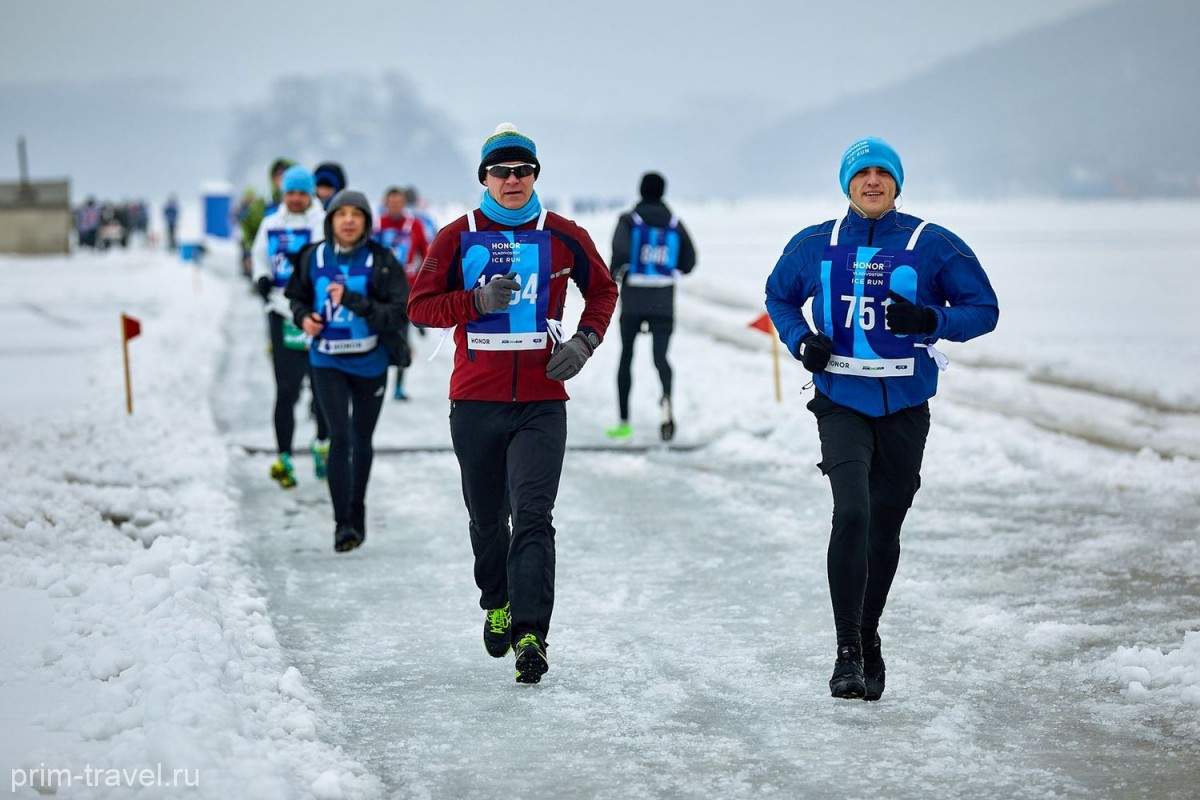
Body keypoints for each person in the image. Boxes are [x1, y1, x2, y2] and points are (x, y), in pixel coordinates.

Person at [765, 137, 999, 701]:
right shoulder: (817, 243)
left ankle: (868, 633)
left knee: (885, 524)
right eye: (862, 173)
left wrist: (931, 319)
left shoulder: (931, 243)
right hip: (841, 401)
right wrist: (802, 341)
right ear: (847, 184)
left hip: (904, 408)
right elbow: (779, 296)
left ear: (897, 183)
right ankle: (846, 649)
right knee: (852, 512)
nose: (872, 181)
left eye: (883, 173)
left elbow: (984, 310)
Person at [408, 123, 618, 684]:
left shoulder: (564, 234)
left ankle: (531, 634)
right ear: (484, 178)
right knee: (487, 519)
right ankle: (496, 602)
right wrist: (474, 301)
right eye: (500, 171)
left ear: (535, 176)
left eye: (523, 170)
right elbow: (420, 306)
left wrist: (585, 341)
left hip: (542, 402)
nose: (512, 180)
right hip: (475, 401)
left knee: (533, 516)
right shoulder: (457, 236)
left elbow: (603, 290)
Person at [286, 189, 409, 552]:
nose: (349, 220)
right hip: (327, 362)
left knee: (361, 439)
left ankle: (358, 510)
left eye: (357, 214)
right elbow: (296, 297)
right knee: (340, 437)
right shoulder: (312, 256)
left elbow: (399, 312)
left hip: (370, 363)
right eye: (342, 214)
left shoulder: (382, 260)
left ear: (367, 222)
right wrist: (303, 318)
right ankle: (343, 524)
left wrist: (355, 302)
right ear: (331, 221)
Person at [251, 166, 331, 489]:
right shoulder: (271, 223)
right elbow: (259, 256)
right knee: (286, 389)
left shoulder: (322, 222)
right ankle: (283, 456)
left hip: (315, 314)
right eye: (290, 193)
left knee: (322, 387)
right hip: (281, 313)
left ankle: (322, 444)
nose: (295, 199)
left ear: (310, 194)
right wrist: (261, 277)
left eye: (301, 193)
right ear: (283, 194)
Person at [606, 172, 696, 441]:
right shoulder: (674, 223)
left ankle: (624, 422)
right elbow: (689, 262)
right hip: (663, 301)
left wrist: (616, 273)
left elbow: (619, 256)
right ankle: (666, 401)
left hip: (633, 301)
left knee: (626, 357)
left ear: (641, 190)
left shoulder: (628, 220)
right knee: (660, 358)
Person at [375, 186, 430, 400]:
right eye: (392, 203)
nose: (395, 207)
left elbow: (427, 254)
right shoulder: (378, 225)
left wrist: (426, 282)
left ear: (404, 204)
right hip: (381, 290)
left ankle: (399, 386)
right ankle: (376, 381)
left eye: (399, 203)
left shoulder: (414, 225)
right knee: (379, 335)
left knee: (402, 337)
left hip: (406, 289)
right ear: (386, 203)